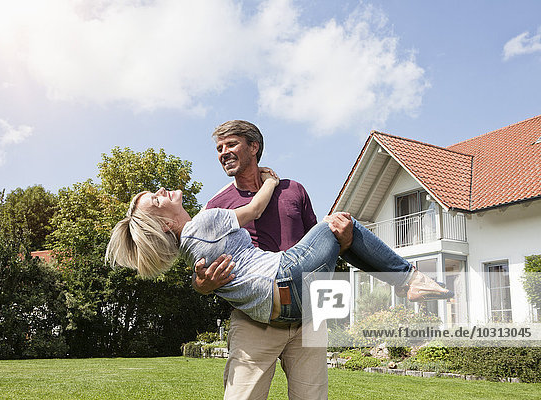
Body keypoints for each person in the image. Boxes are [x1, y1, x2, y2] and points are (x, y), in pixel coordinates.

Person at [105, 121, 451, 399]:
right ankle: (409, 280)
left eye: (230, 145)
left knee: (339, 227)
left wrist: (342, 242)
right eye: (218, 149)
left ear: (254, 146)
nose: (223, 152)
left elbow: (316, 250)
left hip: (302, 310)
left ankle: (409, 281)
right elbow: (208, 269)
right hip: (259, 318)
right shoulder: (214, 208)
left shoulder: (295, 190)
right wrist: (201, 284)